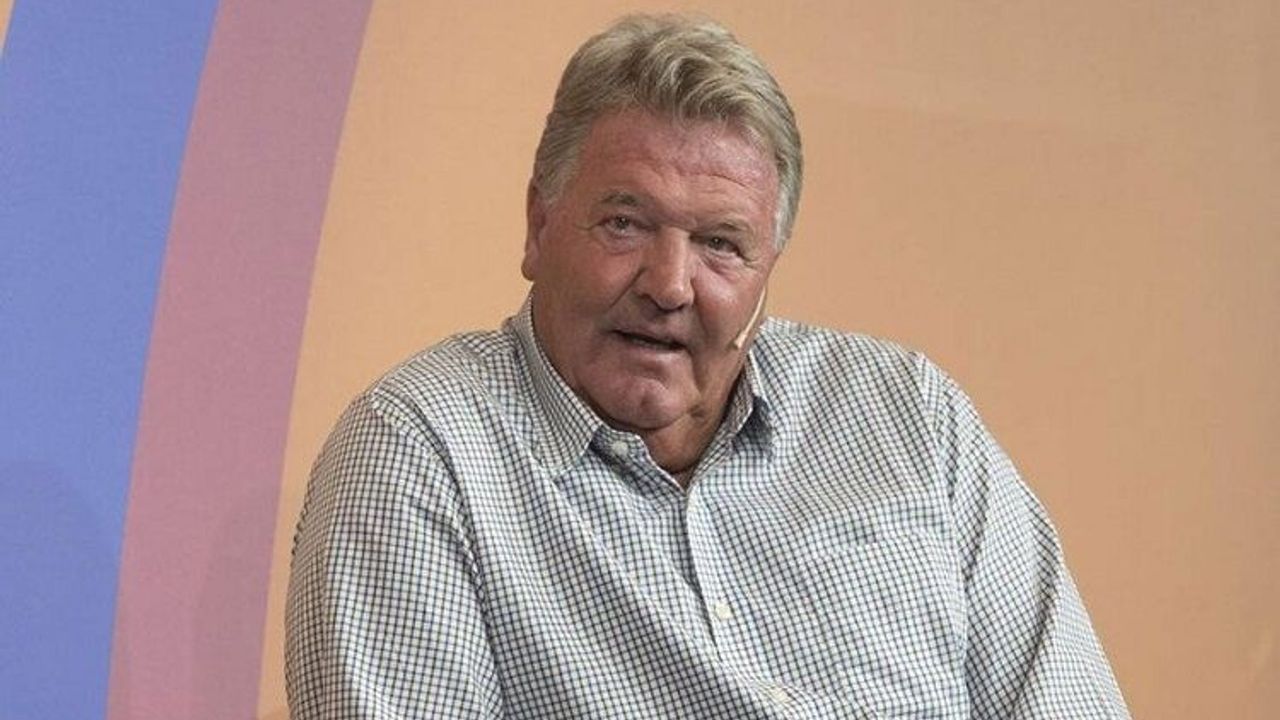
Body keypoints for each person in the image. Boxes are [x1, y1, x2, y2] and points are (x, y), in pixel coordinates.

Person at [286, 14, 1129, 719]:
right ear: (540, 226)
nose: (670, 285)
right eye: (625, 223)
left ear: (769, 268)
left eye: (721, 243)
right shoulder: (421, 451)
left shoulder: (906, 413)